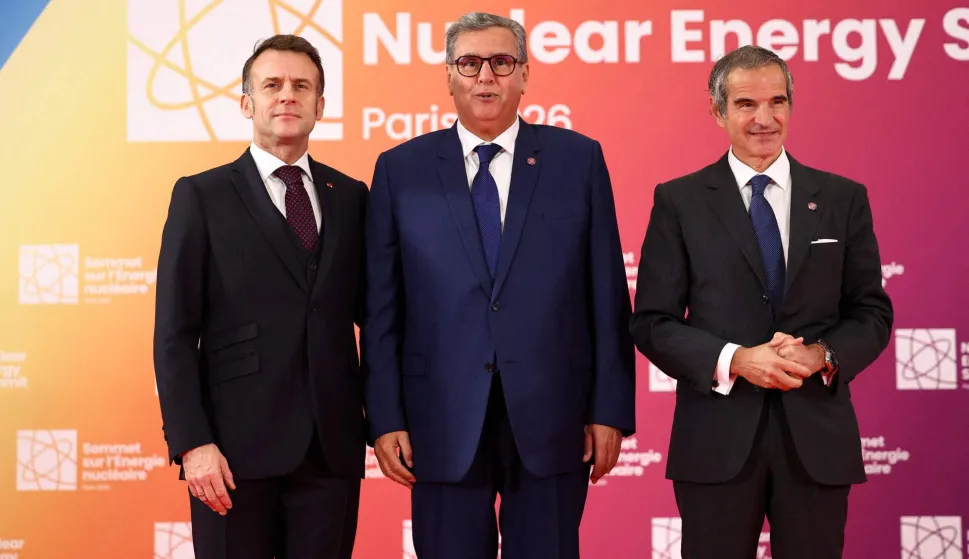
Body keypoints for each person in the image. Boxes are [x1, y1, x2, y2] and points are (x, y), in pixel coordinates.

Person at [363, 11, 635, 559]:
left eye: (502, 61)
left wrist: (609, 409)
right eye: (469, 62)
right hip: (436, 417)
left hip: (555, 415)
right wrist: (385, 418)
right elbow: (383, 308)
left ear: (525, 73)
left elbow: (605, 294)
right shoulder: (400, 169)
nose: (485, 76)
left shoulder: (577, 160)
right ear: (449, 76)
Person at [630, 45, 893, 558]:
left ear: (792, 105)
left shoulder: (842, 198)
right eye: (746, 104)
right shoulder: (679, 200)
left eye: (777, 101)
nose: (765, 118)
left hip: (817, 439)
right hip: (715, 443)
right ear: (717, 110)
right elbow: (653, 322)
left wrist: (824, 355)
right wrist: (736, 360)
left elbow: (872, 311)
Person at [153, 34, 367, 559]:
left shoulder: (354, 197)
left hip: (330, 453)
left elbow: (378, 321)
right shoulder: (200, 195)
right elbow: (174, 334)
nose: (287, 96)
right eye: (272, 85)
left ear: (321, 105)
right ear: (247, 103)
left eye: (302, 86)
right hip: (229, 457)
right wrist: (192, 443)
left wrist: (386, 421)